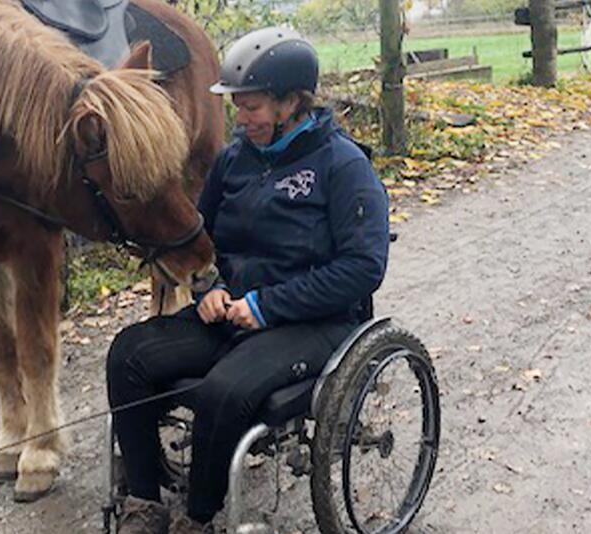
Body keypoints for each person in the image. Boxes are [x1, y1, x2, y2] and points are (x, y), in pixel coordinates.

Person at [106, 27, 390, 534]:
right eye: (237, 106)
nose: (240, 118)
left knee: (224, 393)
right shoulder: (233, 160)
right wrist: (208, 286)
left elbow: (363, 268)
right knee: (128, 354)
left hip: (313, 321)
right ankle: (144, 503)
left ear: (292, 103)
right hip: (229, 311)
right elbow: (202, 235)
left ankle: (197, 518)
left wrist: (266, 306)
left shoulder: (342, 165)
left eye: (251, 107)